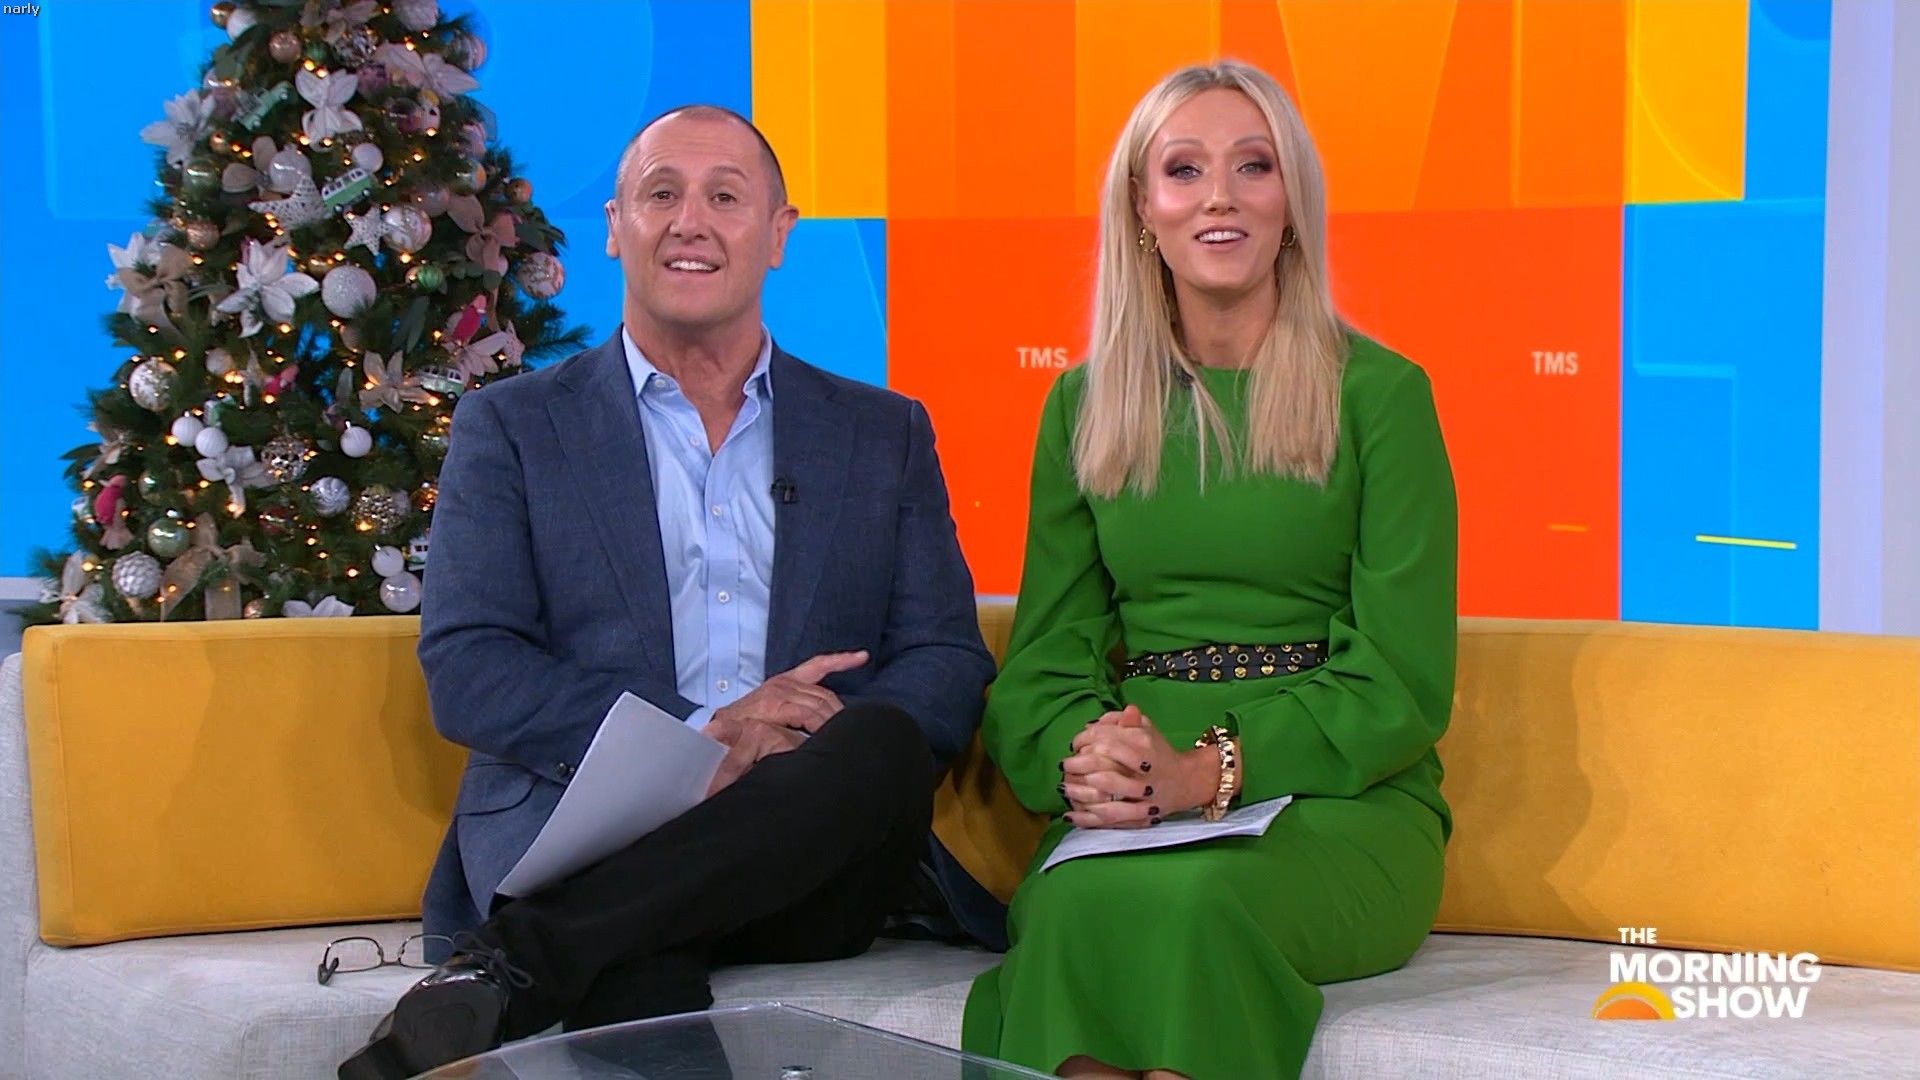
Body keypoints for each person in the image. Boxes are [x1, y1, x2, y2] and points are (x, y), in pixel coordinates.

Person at [340, 104, 996, 1080]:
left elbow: (945, 660)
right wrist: (701, 736)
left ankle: (518, 962)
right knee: (634, 967)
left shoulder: (880, 432)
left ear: (778, 233)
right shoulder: (512, 427)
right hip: (591, 831)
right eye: (661, 194)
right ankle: (566, 949)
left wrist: (798, 744)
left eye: (726, 197)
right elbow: (469, 665)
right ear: (615, 227)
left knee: (884, 741)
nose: (692, 221)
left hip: (811, 848)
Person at [961, 61, 1458, 1080]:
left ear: (1292, 202)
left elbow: (1402, 679)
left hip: (1340, 804)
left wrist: (1208, 771)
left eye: (1253, 166)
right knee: (1071, 906)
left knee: (1195, 904)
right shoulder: (1084, 406)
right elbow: (1046, 655)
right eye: (1184, 170)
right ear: (1144, 209)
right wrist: (1085, 759)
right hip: (1134, 809)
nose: (1219, 196)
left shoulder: (1382, 396)